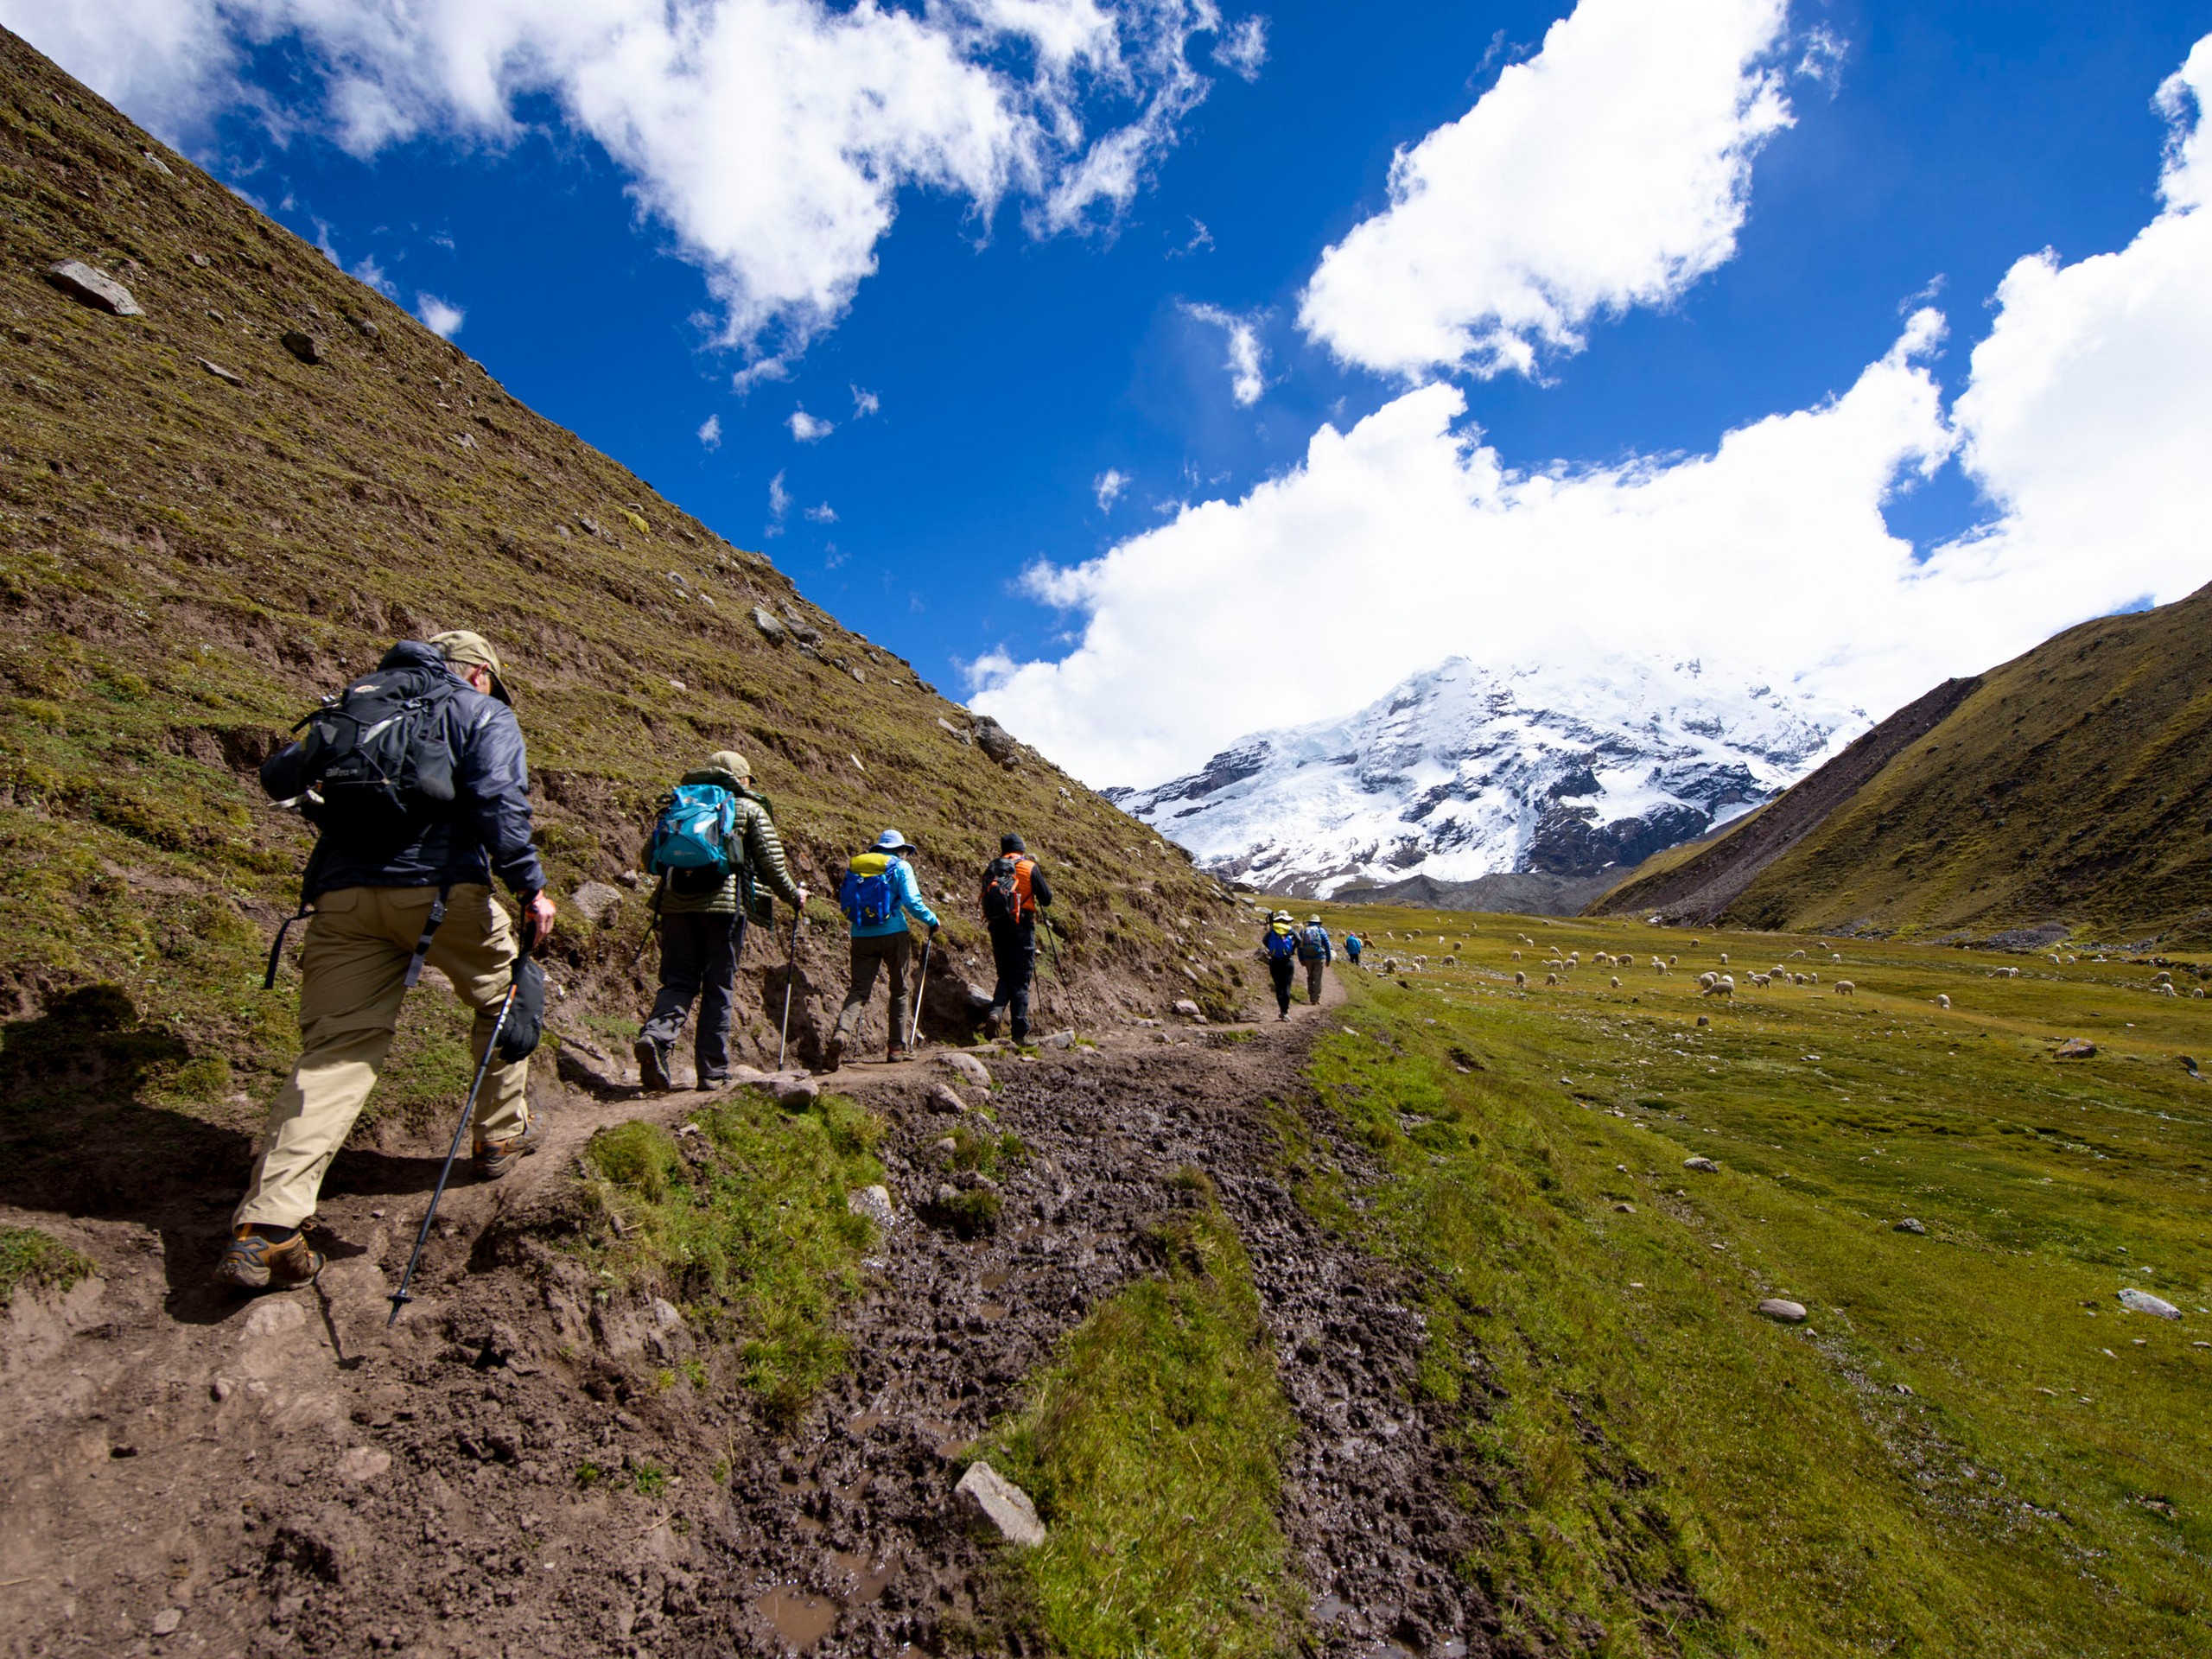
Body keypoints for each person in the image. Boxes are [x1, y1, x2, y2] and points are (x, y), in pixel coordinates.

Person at [216, 631, 556, 1292]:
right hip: (443, 890)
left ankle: (269, 1225)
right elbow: (497, 800)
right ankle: (498, 1136)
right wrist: (529, 887)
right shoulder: (482, 711)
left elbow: (279, 775)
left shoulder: (356, 706)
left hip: (342, 897)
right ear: (479, 674)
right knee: (507, 996)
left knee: (337, 1050)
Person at [633, 750, 807, 1092]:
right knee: (718, 987)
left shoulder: (679, 804)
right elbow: (772, 866)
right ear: (742, 779)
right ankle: (712, 1071)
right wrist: (794, 897)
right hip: (724, 910)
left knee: (678, 982)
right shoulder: (748, 808)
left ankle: (656, 1036)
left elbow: (647, 856)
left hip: (675, 907)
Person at [823, 830, 940, 1070]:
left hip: (861, 934)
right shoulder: (900, 867)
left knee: (858, 990)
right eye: (905, 851)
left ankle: (842, 1034)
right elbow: (912, 902)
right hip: (893, 933)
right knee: (899, 990)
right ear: (899, 849)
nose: (906, 855)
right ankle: (896, 1049)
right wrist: (931, 920)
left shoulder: (859, 865)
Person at [979, 832, 1054, 1045]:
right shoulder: (1029, 867)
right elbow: (1046, 899)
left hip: (997, 926)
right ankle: (1019, 1033)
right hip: (1022, 926)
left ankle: (995, 1013)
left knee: (1004, 974)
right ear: (1021, 848)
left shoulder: (993, 868)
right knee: (1020, 979)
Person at [1258, 909, 1300, 1020]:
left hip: (1274, 961)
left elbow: (1264, 940)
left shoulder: (1272, 930)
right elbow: (1299, 939)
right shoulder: (1290, 930)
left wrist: (1272, 950)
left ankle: (1281, 1010)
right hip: (1287, 961)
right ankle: (1285, 1012)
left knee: (1278, 986)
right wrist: (1293, 950)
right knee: (1286, 986)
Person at [1298, 914, 1334, 1005]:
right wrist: (1328, 959)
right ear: (1318, 923)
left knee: (1310, 976)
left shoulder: (1303, 931)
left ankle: (1311, 996)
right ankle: (1316, 998)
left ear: (1309, 922)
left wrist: (1301, 959)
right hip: (1319, 957)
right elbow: (1327, 945)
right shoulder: (1321, 931)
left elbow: (1299, 946)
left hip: (1307, 958)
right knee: (1318, 978)